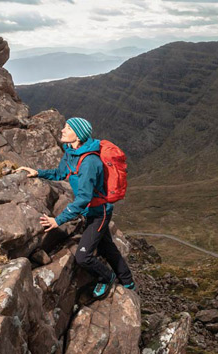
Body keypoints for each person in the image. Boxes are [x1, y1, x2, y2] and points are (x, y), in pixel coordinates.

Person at [15, 117, 135, 299]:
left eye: (68, 128)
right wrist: (37, 172)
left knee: (83, 256)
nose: (63, 130)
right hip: (90, 212)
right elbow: (60, 173)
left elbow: (84, 199)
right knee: (106, 247)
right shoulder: (71, 152)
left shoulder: (89, 162)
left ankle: (106, 277)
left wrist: (58, 220)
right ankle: (128, 282)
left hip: (98, 213)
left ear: (78, 136)